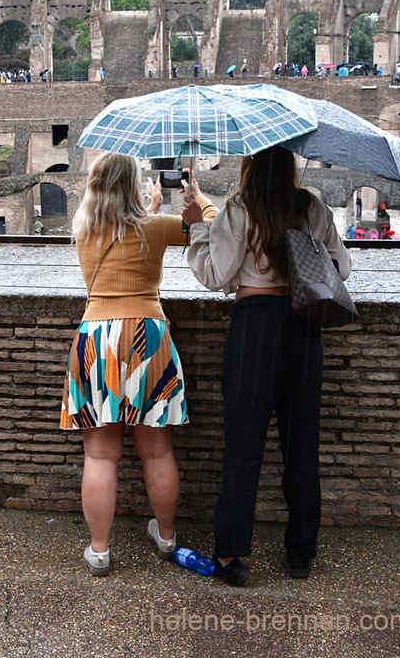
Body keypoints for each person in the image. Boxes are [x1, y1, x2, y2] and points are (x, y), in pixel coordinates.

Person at [182, 147, 350, 586]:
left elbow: (217, 275)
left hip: (255, 324)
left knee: (244, 444)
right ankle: (300, 552)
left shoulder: (240, 207)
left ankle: (230, 556)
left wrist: (197, 228)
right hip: (303, 324)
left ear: (250, 164)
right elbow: (342, 268)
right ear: (291, 165)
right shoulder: (310, 204)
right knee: (301, 444)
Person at [60, 153, 217, 577]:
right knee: (157, 450)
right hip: (148, 338)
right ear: (134, 185)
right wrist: (195, 198)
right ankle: (166, 537)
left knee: (100, 455)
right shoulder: (157, 227)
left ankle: (99, 550)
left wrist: (146, 210)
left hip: (97, 338)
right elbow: (211, 230)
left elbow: (120, 236)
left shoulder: (83, 228)